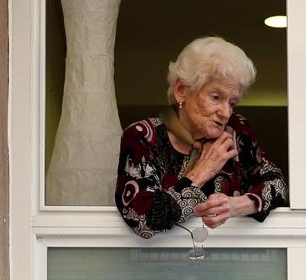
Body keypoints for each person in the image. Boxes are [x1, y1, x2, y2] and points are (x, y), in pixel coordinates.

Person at [116, 36, 287, 239]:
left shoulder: (235, 131)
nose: (225, 113)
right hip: (156, 263)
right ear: (181, 90)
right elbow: (141, 219)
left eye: (232, 103)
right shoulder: (144, 137)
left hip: (228, 261)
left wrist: (236, 206)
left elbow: (278, 185)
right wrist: (202, 172)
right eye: (216, 97)